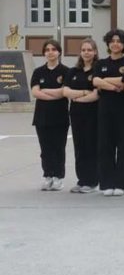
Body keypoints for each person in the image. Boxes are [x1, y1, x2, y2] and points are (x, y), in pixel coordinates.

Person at [93, 29, 124, 196]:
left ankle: (121, 184)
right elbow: (96, 81)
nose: (115, 44)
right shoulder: (100, 63)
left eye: (119, 41)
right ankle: (107, 183)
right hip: (105, 109)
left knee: (123, 146)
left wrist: (105, 81)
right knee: (105, 146)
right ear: (108, 43)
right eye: (112, 41)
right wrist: (115, 86)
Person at [30, 39, 69, 191]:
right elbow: (35, 92)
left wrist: (45, 91)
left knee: (59, 148)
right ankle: (48, 175)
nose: (50, 52)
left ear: (59, 52)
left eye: (53, 49)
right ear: (44, 53)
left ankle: (58, 177)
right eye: (47, 50)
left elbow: (64, 92)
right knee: (45, 149)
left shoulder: (66, 71)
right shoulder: (38, 72)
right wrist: (54, 94)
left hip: (60, 116)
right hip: (42, 117)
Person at [63, 38, 100, 193]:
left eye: (89, 50)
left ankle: (92, 181)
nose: (86, 53)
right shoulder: (73, 71)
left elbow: (96, 95)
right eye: (83, 50)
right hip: (76, 115)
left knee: (91, 146)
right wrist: (84, 92)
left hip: (93, 114)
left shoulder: (98, 70)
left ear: (95, 52)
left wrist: (77, 98)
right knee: (79, 147)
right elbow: (66, 91)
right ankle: (82, 179)